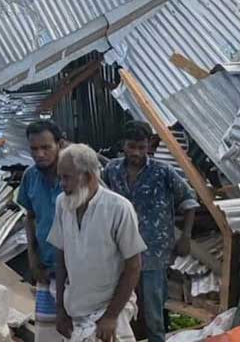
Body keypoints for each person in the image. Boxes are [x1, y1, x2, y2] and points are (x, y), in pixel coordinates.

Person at [102, 122, 198, 342]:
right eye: (131, 147)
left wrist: (186, 237)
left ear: (149, 147)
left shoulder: (163, 172)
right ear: (123, 146)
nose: (136, 153)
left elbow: (189, 200)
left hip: (153, 252)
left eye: (141, 147)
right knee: (120, 306)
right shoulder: (112, 171)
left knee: (154, 310)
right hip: (118, 251)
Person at [49, 144, 145, 342]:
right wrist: (60, 309)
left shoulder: (119, 208)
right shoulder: (62, 203)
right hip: (75, 308)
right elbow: (60, 257)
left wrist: (110, 316)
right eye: (61, 177)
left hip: (110, 309)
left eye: (67, 177)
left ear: (89, 177)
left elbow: (134, 267)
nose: (62, 184)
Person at [16, 121, 65, 342]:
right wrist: (32, 258)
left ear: (60, 145)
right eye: (34, 149)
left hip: (77, 275)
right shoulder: (30, 176)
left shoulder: (76, 176)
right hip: (46, 271)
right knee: (47, 336)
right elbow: (31, 217)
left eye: (46, 147)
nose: (40, 154)